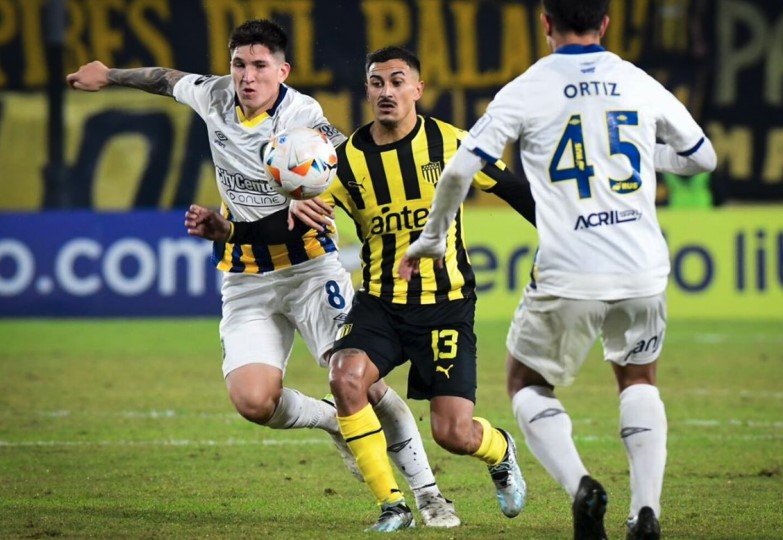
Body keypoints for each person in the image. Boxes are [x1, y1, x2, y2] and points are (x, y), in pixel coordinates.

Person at [66, 19, 459, 528]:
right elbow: (165, 78)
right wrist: (109, 74)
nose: (247, 77)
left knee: (364, 384)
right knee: (253, 401)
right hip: (246, 277)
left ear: (282, 71)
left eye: (259, 66)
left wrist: (314, 193)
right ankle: (333, 420)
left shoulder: (304, 117)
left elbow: (340, 162)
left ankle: (429, 495)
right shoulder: (214, 95)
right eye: (239, 64)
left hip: (311, 271)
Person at [403, 1, 718, 539]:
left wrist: (432, 238)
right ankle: (645, 511)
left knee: (527, 383)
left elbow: (458, 171)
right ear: (605, 23)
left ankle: (581, 487)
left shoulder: (527, 88)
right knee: (638, 378)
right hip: (642, 268)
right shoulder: (637, 81)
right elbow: (702, 157)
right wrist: (643, 156)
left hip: (570, 269)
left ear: (545, 23)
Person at [273, 46, 535, 532]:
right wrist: (293, 208)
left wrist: (565, 238)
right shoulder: (344, 161)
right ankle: (392, 506)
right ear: (367, 90)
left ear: (418, 88)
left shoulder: (452, 143)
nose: (387, 91)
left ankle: (500, 449)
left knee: (453, 433)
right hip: (380, 303)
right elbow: (303, 211)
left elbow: (515, 191)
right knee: (345, 377)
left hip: (446, 306)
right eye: (377, 82)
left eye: (397, 81)